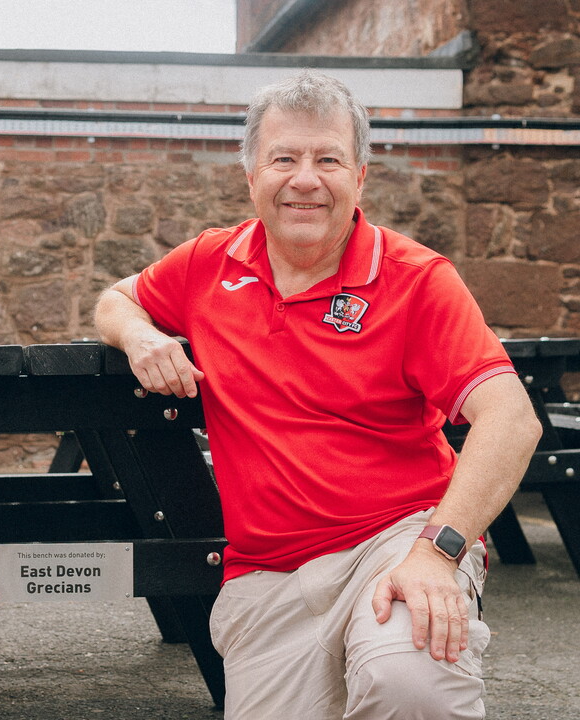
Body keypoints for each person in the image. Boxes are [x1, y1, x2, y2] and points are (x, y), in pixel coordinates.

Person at [94, 70, 541, 719]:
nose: (305, 179)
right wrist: (139, 337)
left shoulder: (415, 280)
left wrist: (436, 552)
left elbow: (511, 418)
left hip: (395, 544)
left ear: (359, 176)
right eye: (285, 159)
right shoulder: (208, 265)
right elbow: (116, 298)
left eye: (327, 159)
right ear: (252, 177)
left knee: (410, 686)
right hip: (268, 576)